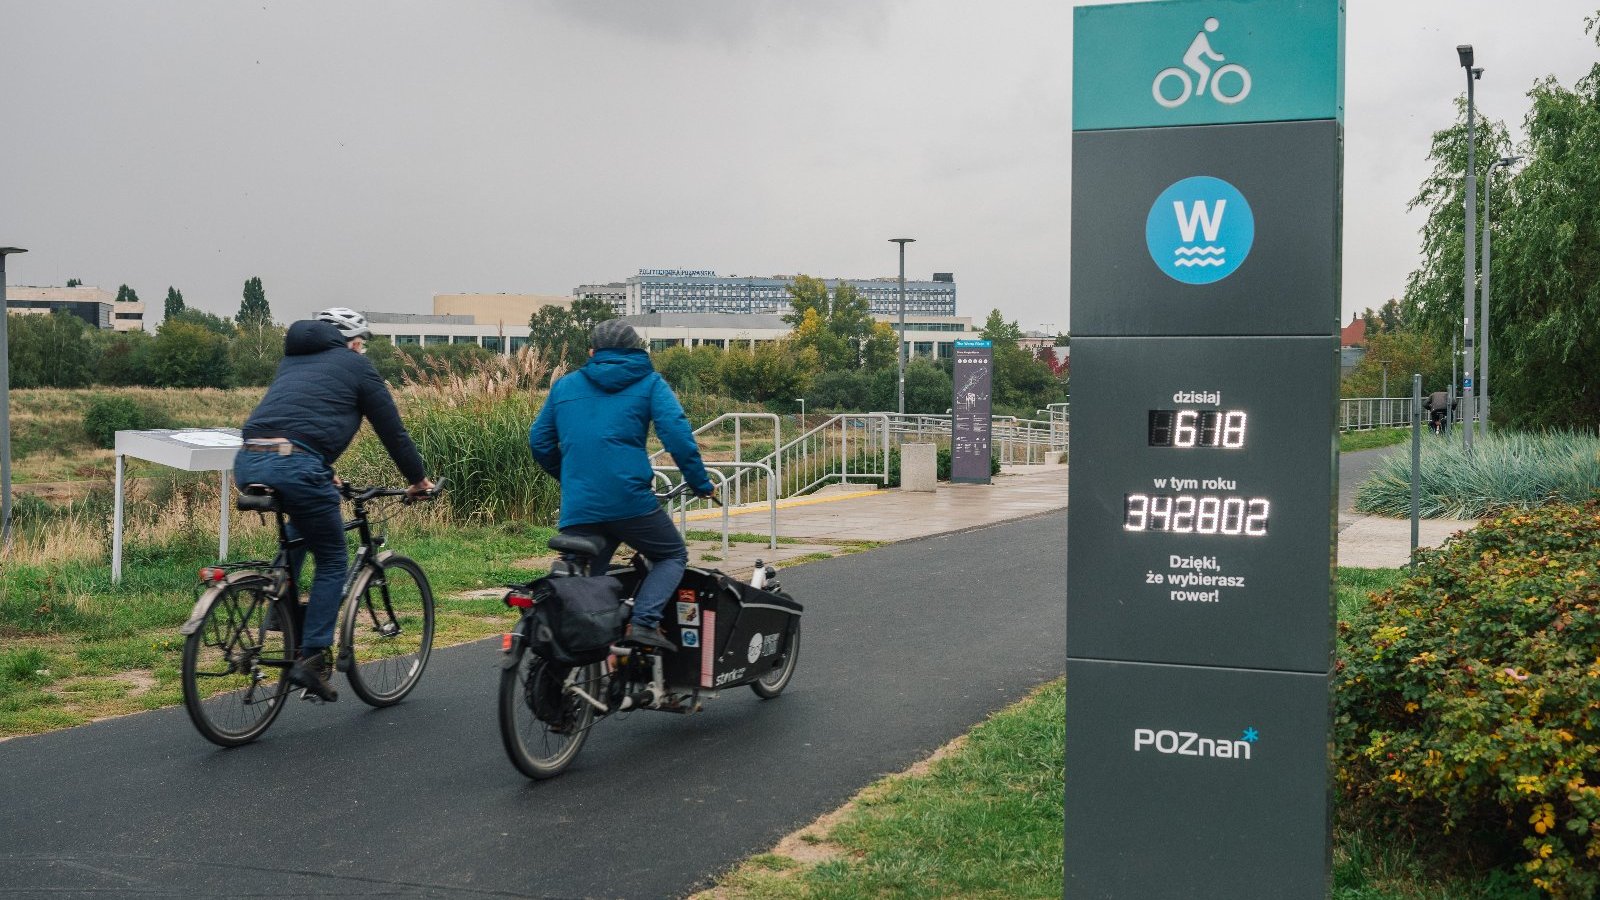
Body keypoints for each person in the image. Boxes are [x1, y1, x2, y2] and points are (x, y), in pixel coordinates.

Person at [234, 307, 434, 701]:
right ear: (352, 341)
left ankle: (279, 603)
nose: (361, 348)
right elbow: (393, 432)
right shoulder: (356, 367)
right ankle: (311, 656)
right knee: (332, 558)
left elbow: (296, 419)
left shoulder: (292, 361)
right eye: (360, 341)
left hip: (250, 457)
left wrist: (324, 473)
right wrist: (417, 481)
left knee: (301, 530)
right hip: (298, 465)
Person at [528, 319, 715, 653]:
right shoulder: (650, 383)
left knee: (583, 588)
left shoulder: (565, 386)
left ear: (592, 352)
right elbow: (676, 435)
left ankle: (579, 674)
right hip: (630, 503)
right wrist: (701, 483)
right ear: (636, 351)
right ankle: (643, 622)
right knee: (672, 554)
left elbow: (539, 442)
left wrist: (572, 478)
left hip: (580, 506)